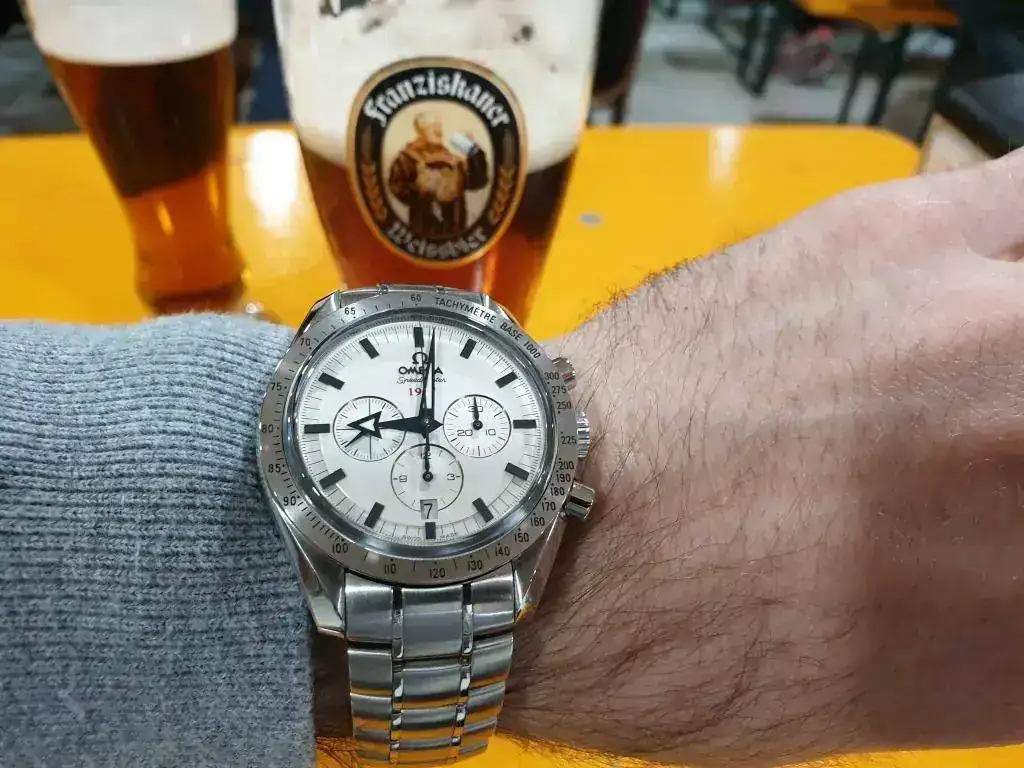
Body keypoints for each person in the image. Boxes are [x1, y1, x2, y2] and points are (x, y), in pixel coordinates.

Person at [5, 149, 1024, 768]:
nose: (419, 433)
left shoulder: (546, 448)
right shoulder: (295, 453)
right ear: (281, 445)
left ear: (565, 452)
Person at [387, 112, 489, 240]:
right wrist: (420, 189)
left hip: (455, 230)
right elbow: (396, 186)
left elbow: (477, 181)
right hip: (424, 229)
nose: (439, 130)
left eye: (439, 125)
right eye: (433, 126)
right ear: (421, 131)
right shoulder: (407, 159)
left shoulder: (453, 159)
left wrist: (475, 154)